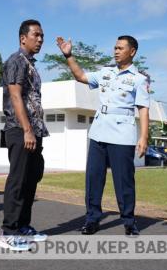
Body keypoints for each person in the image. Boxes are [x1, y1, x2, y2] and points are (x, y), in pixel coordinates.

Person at [56, 35, 150, 236]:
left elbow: (143, 109)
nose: (116, 51)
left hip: (122, 135)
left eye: (120, 48)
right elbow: (81, 76)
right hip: (99, 132)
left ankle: (129, 222)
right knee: (93, 179)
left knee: (124, 181)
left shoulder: (139, 79)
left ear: (132, 51)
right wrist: (68, 55)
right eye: (115, 47)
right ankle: (91, 220)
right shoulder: (106, 72)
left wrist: (144, 137)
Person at [0, 19, 49, 251]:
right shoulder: (16, 61)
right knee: (18, 180)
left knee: (32, 177)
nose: (40, 40)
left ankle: (23, 226)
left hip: (34, 130)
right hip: (20, 130)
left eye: (42, 36)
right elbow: (16, 96)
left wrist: (34, 130)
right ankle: (8, 231)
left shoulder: (31, 64)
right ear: (23, 38)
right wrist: (27, 129)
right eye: (36, 35)